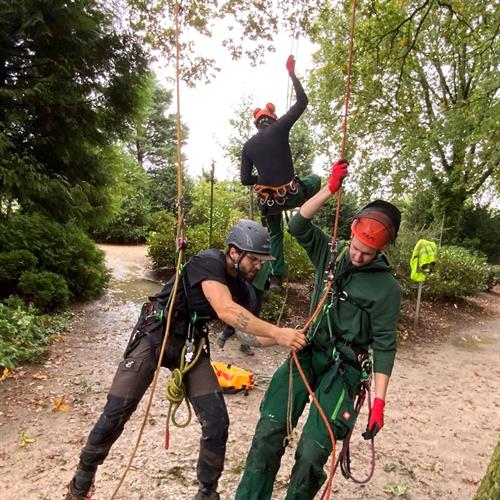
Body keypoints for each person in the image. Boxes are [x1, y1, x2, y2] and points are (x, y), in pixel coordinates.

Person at [65, 220, 307, 500]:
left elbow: (247, 335)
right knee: (117, 411)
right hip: (156, 332)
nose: (258, 267)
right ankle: (81, 482)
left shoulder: (245, 289)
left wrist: (286, 339)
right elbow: (226, 310)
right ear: (233, 252)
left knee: (217, 422)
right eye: (254, 259)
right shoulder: (209, 262)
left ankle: (207, 493)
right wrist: (278, 331)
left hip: (191, 343)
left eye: (261, 261)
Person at [235, 160, 402, 500]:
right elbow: (297, 224)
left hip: (345, 370)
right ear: (351, 232)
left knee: (311, 453)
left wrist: (379, 403)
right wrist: (330, 188)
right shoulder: (332, 252)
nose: (356, 256)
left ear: (381, 250)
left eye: (366, 253)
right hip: (308, 350)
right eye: (355, 247)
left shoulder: (387, 290)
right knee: (269, 429)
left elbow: (385, 346)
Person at [240, 55, 321, 293]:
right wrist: (292, 74)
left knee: (274, 235)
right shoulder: (279, 127)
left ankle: (275, 279)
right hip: (292, 194)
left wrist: (264, 180)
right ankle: (306, 215)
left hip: (269, 201)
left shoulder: (248, 146)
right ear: (272, 120)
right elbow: (302, 102)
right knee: (315, 179)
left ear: (257, 124)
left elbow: (245, 179)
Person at [216, 261, 270, 355]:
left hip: (260, 286)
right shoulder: (265, 249)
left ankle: (245, 344)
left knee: (255, 316)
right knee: (245, 312)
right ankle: (225, 334)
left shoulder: (277, 255)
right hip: (250, 282)